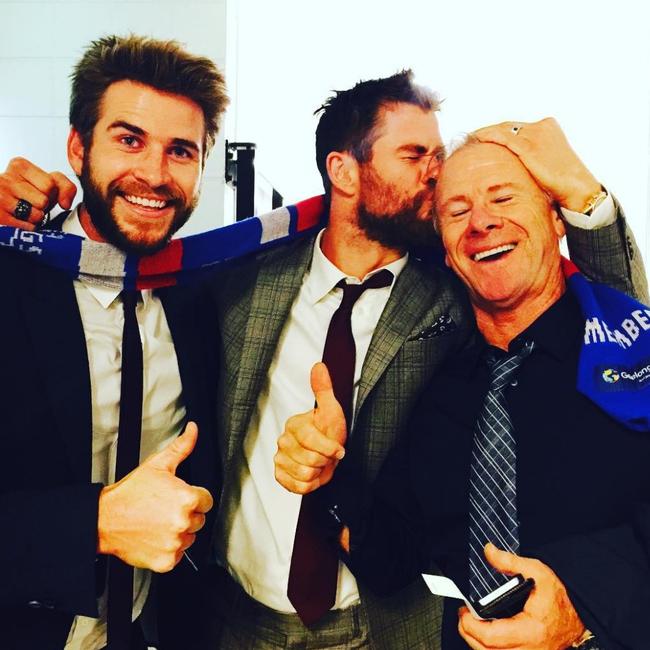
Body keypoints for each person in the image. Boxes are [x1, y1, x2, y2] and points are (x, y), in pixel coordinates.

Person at [215, 71, 644, 649]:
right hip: (249, 619)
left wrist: (584, 608)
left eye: (503, 197)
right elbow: (397, 540)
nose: (481, 220)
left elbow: (622, 300)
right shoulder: (243, 280)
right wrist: (328, 478)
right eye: (456, 206)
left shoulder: (622, 352)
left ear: (554, 216)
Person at [0, 34, 227, 650]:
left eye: (181, 151)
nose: (154, 174)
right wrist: (93, 525)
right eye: (129, 140)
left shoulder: (202, 294)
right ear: (78, 147)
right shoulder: (12, 281)